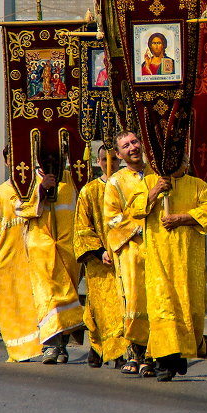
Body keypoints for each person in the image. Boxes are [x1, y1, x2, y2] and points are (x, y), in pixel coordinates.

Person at [0, 148, 83, 363]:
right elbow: (21, 207)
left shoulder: (73, 180)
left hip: (69, 250)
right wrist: (42, 189)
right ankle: (51, 346)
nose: (53, 160)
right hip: (40, 250)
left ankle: (62, 345)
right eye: (48, 157)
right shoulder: (27, 182)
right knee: (48, 298)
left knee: (65, 297)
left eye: (58, 156)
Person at [131, 160, 207, 381]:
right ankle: (163, 361)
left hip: (188, 261)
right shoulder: (150, 182)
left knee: (189, 308)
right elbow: (134, 209)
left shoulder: (198, 185)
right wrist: (156, 191)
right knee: (162, 308)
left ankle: (180, 355)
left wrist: (182, 218)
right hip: (159, 261)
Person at [104, 131, 154, 374]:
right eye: (126, 146)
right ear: (119, 154)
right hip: (132, 251)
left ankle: (155, 354)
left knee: (157, 300)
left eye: (134, 142)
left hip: (158, 248)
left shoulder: (157, 173)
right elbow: (112, 219)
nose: (132, 148)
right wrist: (138, 227)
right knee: (134, 301)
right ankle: (135, 353)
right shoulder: (115, 182)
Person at [73, 146, 128, 368]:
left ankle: (114, 349)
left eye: (114, 159)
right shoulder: (89, 191)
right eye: (105, 159)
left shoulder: (128, 186)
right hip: (100, 260)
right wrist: (99, 251)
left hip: (125, 255)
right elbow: (82, 227)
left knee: (124, 306)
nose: (110, 163)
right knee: (104, 306)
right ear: (98, 161)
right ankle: (106, 349)